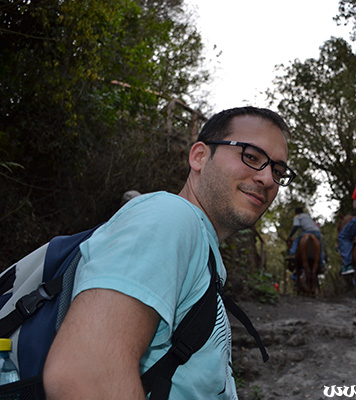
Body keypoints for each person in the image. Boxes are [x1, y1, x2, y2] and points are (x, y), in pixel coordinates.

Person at [42, 106, 295, 399]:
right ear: (199, 156)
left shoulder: (201, 250)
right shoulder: (171, 218)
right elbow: (84, 377)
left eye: (278, 171)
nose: (267, 179)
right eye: (251, 156)